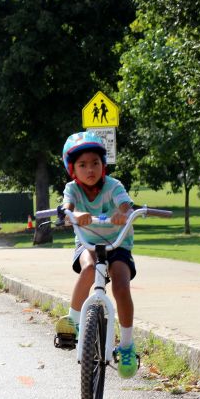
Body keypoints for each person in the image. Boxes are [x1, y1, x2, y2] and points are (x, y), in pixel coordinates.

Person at [55, 131, 138, 378]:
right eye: (82, 165)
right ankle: (72, 321)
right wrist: (72, 214)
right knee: (89, 268)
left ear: (103, 166)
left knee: (121, 285)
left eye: (95, 163)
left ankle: (126, 345)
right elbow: (66, 207)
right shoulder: (72, 189)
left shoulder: (114, 186)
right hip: (88, 244)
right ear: (72, 169)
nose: (90, 169)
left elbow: (125, 204)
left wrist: (124, 213)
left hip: (117, 244)